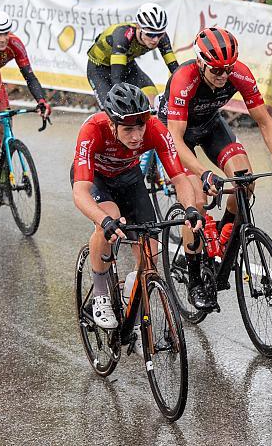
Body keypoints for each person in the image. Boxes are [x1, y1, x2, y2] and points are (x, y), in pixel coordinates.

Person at [158, 27, 272, 310]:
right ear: (200, 62)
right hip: (175, 135)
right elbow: (175, 138)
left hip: (209, 125)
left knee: (245, 180)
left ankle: (221, 238)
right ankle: (195, 278)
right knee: (196, 200)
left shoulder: (239, 73)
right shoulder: (184, 80)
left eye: (227, 69)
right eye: (216, 71)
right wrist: (203, 173)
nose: (223, 76)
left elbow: (264, 120)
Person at [72, 83, 203, 329]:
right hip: (98, 180)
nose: (136, 136)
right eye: (128, 129)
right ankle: (101, 293)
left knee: (150, 253)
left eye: (140, 126)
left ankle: (129, 293)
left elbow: (179, 177)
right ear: (112, 125)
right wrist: (104, 222)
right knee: (109, 216)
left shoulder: (155, 129)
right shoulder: (93, 130)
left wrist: (190, 208)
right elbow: (80, 192)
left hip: (129, 178)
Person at [86, 3, 177, 108]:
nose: (155, 39)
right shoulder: (123, 36)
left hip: (127, 65)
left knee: (153, 104)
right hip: (99, 69)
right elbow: (117, 79)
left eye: (160, 34)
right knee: (114, 108)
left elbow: (175, 69)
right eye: (150, 34)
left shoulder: (162, 38)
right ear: (138, 27)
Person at [0, 10, 51, 166]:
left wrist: (41, 101)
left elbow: (29, 76)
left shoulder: (14, 44)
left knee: (5, 124)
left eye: (5, 33)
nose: (3, 39)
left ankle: (1, 160)